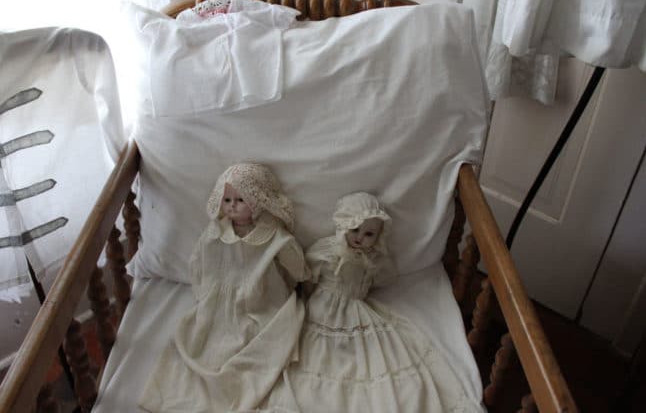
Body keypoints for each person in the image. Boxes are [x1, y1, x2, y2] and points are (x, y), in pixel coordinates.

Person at [262, 192, 483, 412]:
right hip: (322, 306)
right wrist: (307, 296)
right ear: (343, 225)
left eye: (369, 234)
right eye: (355, 230)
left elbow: (384, 277)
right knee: (316, 351)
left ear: (379, 236)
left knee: (366, 353)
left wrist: (375, 267)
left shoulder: (374, 259)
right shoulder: (328, 251)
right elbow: (308, 275)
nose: (360, 238)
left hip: (356, 307)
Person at [140, 163, 310, 413]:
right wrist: (203, 292)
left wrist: (302, 278)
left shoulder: (272, 235)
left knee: (257, 336)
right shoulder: (215, 233)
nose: (232, 205)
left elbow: (292, 259)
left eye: (240, 199)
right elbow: (199, 262)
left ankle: (238, 387)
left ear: (258, 201)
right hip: (220, 299)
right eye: (227, 199)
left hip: (260, 299)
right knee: (208, 340)